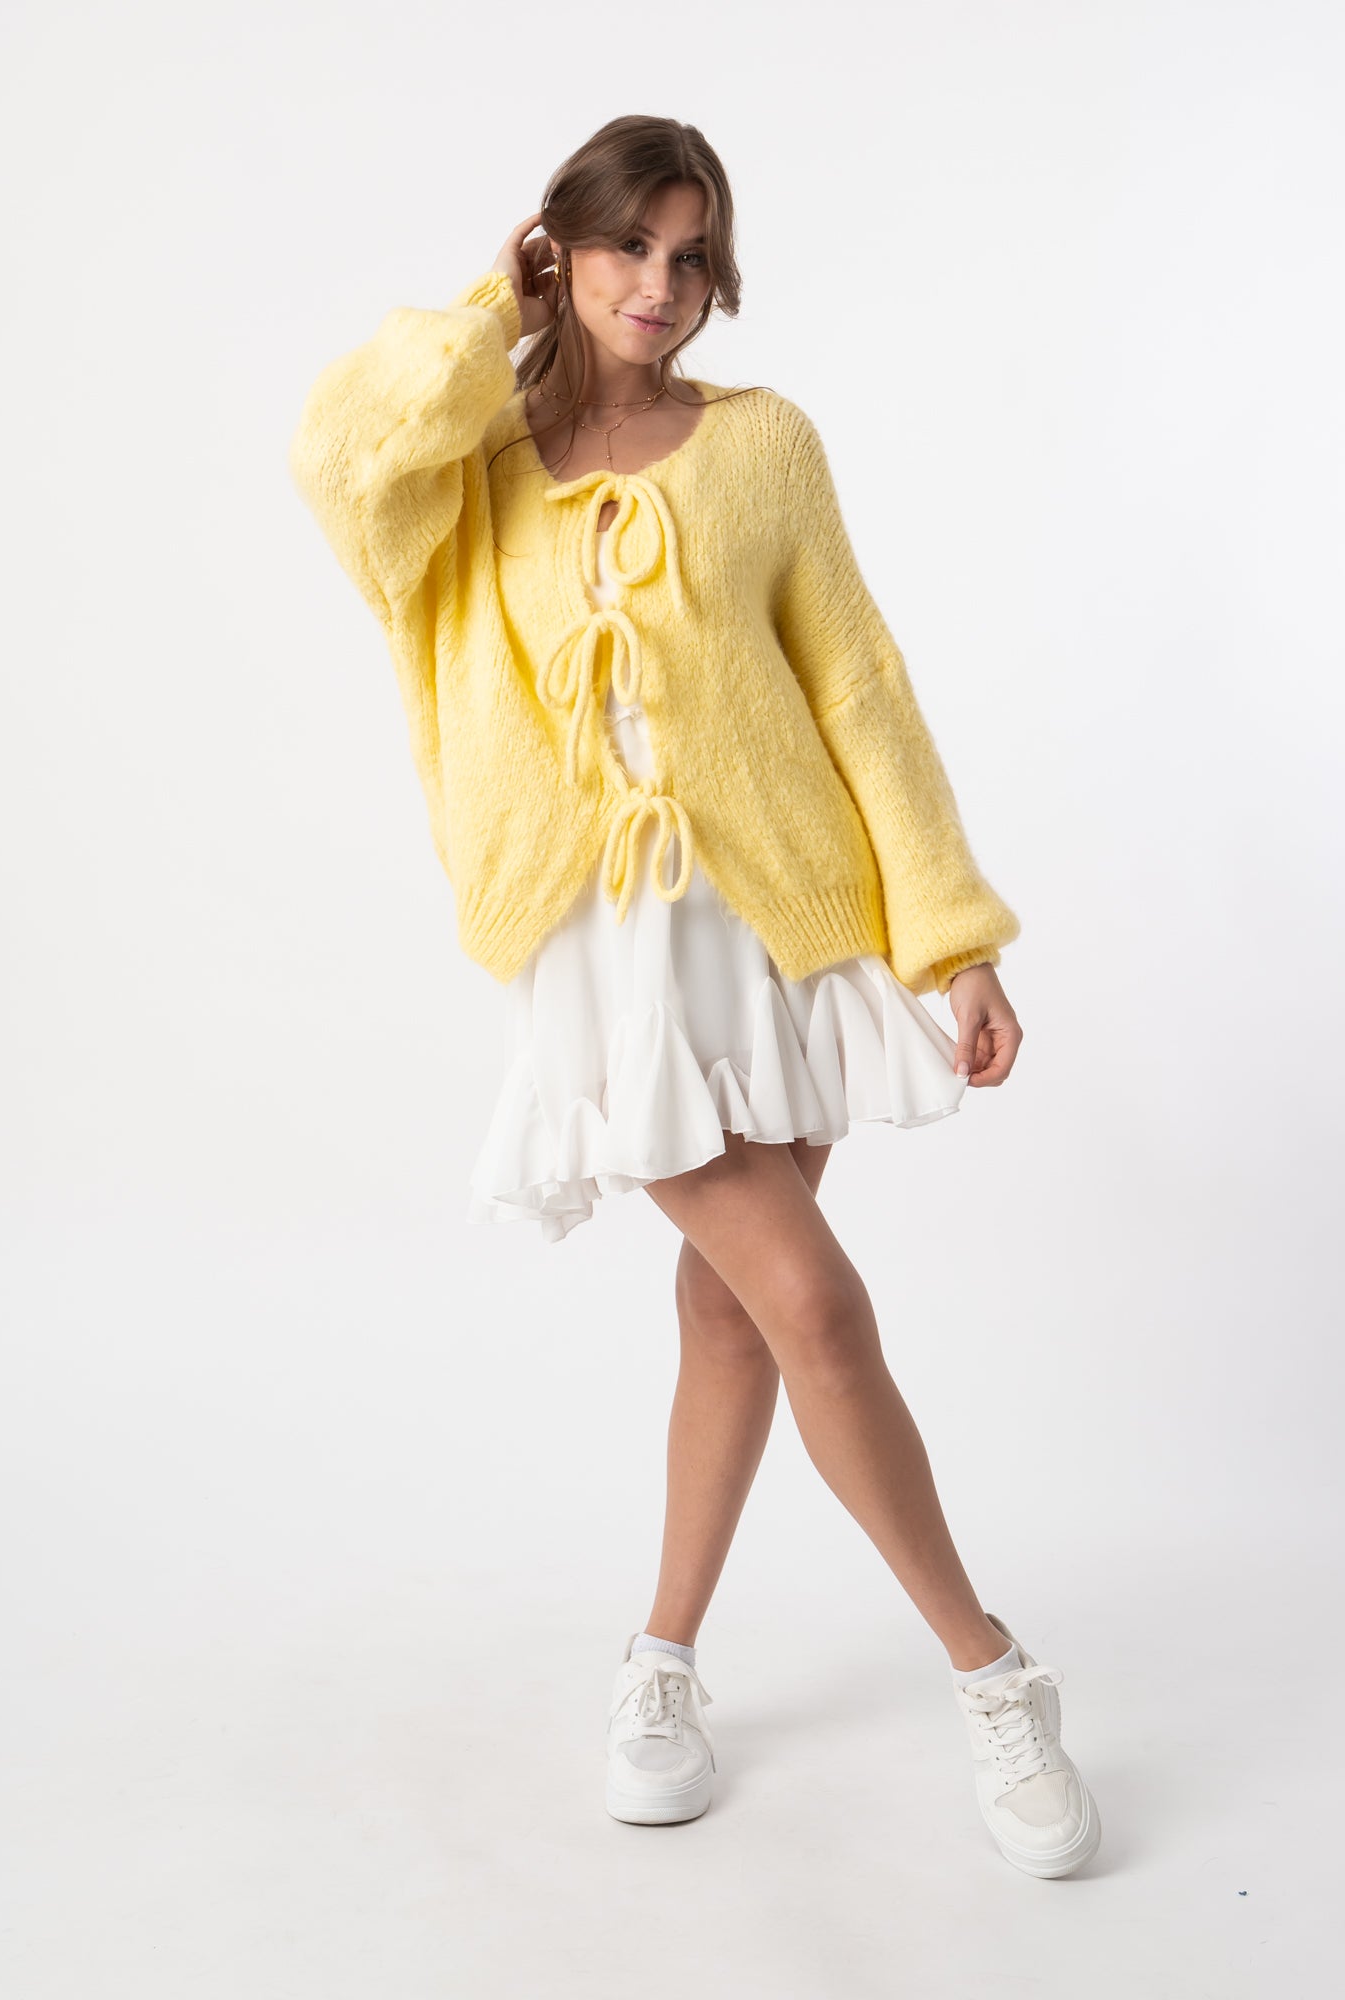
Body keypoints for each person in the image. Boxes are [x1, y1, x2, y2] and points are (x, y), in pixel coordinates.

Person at [288, 114, 1100, 1877]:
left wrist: (950, 937)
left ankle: (659, 1661)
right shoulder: (464, 461)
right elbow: (338, 456)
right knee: (811, 1303)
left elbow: (857, 685)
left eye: (691, 255)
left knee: (734, 1319)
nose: (661, 286)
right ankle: (994, 1672)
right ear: (558, 248)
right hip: (604, 942)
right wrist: (483, 311)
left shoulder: (764, 445)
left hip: (780, 923)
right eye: (626, 248)